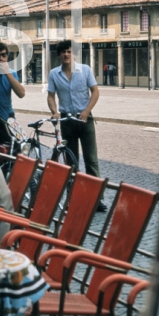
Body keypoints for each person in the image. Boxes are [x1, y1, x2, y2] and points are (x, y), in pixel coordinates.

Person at [47, 39, 106, 212]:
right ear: (59, 54)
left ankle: (97, 200)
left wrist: (87, 111)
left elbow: (95, 92)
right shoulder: (54, 74)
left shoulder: (85, 70)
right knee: (71, 162)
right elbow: (51, 96)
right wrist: (54, 111)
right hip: (67, 121)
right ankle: (73, 198)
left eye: (69, 51)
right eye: (63, 52)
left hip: (85, 120)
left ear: (74, 53)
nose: (66, 54)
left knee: (91, 161)